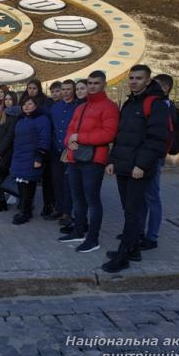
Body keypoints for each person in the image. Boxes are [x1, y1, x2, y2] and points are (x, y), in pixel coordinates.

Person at [103, 65, 169, 273]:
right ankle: (133, 249)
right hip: (123, 166)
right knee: (130, 209)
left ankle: (124, 254)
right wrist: (112, 160)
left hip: (138, 169)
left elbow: (157, 139)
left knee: (133, 211)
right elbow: (121, 135)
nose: (133, 81)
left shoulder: (156, 104)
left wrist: (141, 165)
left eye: (138, 78)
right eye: (131, 78)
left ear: (148, 81)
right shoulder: (130, 103)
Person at [59, 71, 119, 254]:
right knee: (77, 198)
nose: (92, 86)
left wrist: (80, 137)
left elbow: (109, 134)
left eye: (96, 83)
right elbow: (70, 131)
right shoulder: (81, 107)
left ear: (104, 84)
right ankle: (79, 230)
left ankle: (93, 239)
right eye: (90, 83)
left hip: (94, 160)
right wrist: (69, 141)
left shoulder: (109, 107)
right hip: (75, 158)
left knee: (92, 200)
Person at [138, 73, 178, 250]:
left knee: (152, 197)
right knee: (142, 197)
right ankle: (138, 231)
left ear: (165, 88)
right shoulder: (154, 103)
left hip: (154, 158)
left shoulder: (165, 106)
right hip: (144, 156)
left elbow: (161, 135)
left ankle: (151, 236)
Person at [9, 96, 51, 225]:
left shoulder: (42, 120)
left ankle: (25, 213)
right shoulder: (21, 119)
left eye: (30, 104)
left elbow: (45, 139)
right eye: (24, 104)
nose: (26, 106)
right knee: (22, 187)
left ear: (36, 105)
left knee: (28, 187)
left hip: (32, 158)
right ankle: (24, 210)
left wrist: (39, 157)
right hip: (19, 157)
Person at [20, 79, 55, 217]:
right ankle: (26, 205)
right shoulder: (24, 99)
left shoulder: (45, 102)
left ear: (39, 89)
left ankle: (48, 205)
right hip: (26, 145)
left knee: (46, 178)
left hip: (41, 145)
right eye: (29, 88)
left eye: (34, 88)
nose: (31, 91)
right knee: (27, 178)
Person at [48, 79, 78, 223]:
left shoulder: (78, 106)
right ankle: (59, 209)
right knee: (57, 181)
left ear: (73, 90)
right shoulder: (54, 108)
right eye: (63, 89)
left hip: (69, 151)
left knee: (68, 183)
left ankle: (67, 212)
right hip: (55, 150)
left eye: (68, 89)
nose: (65, 92)